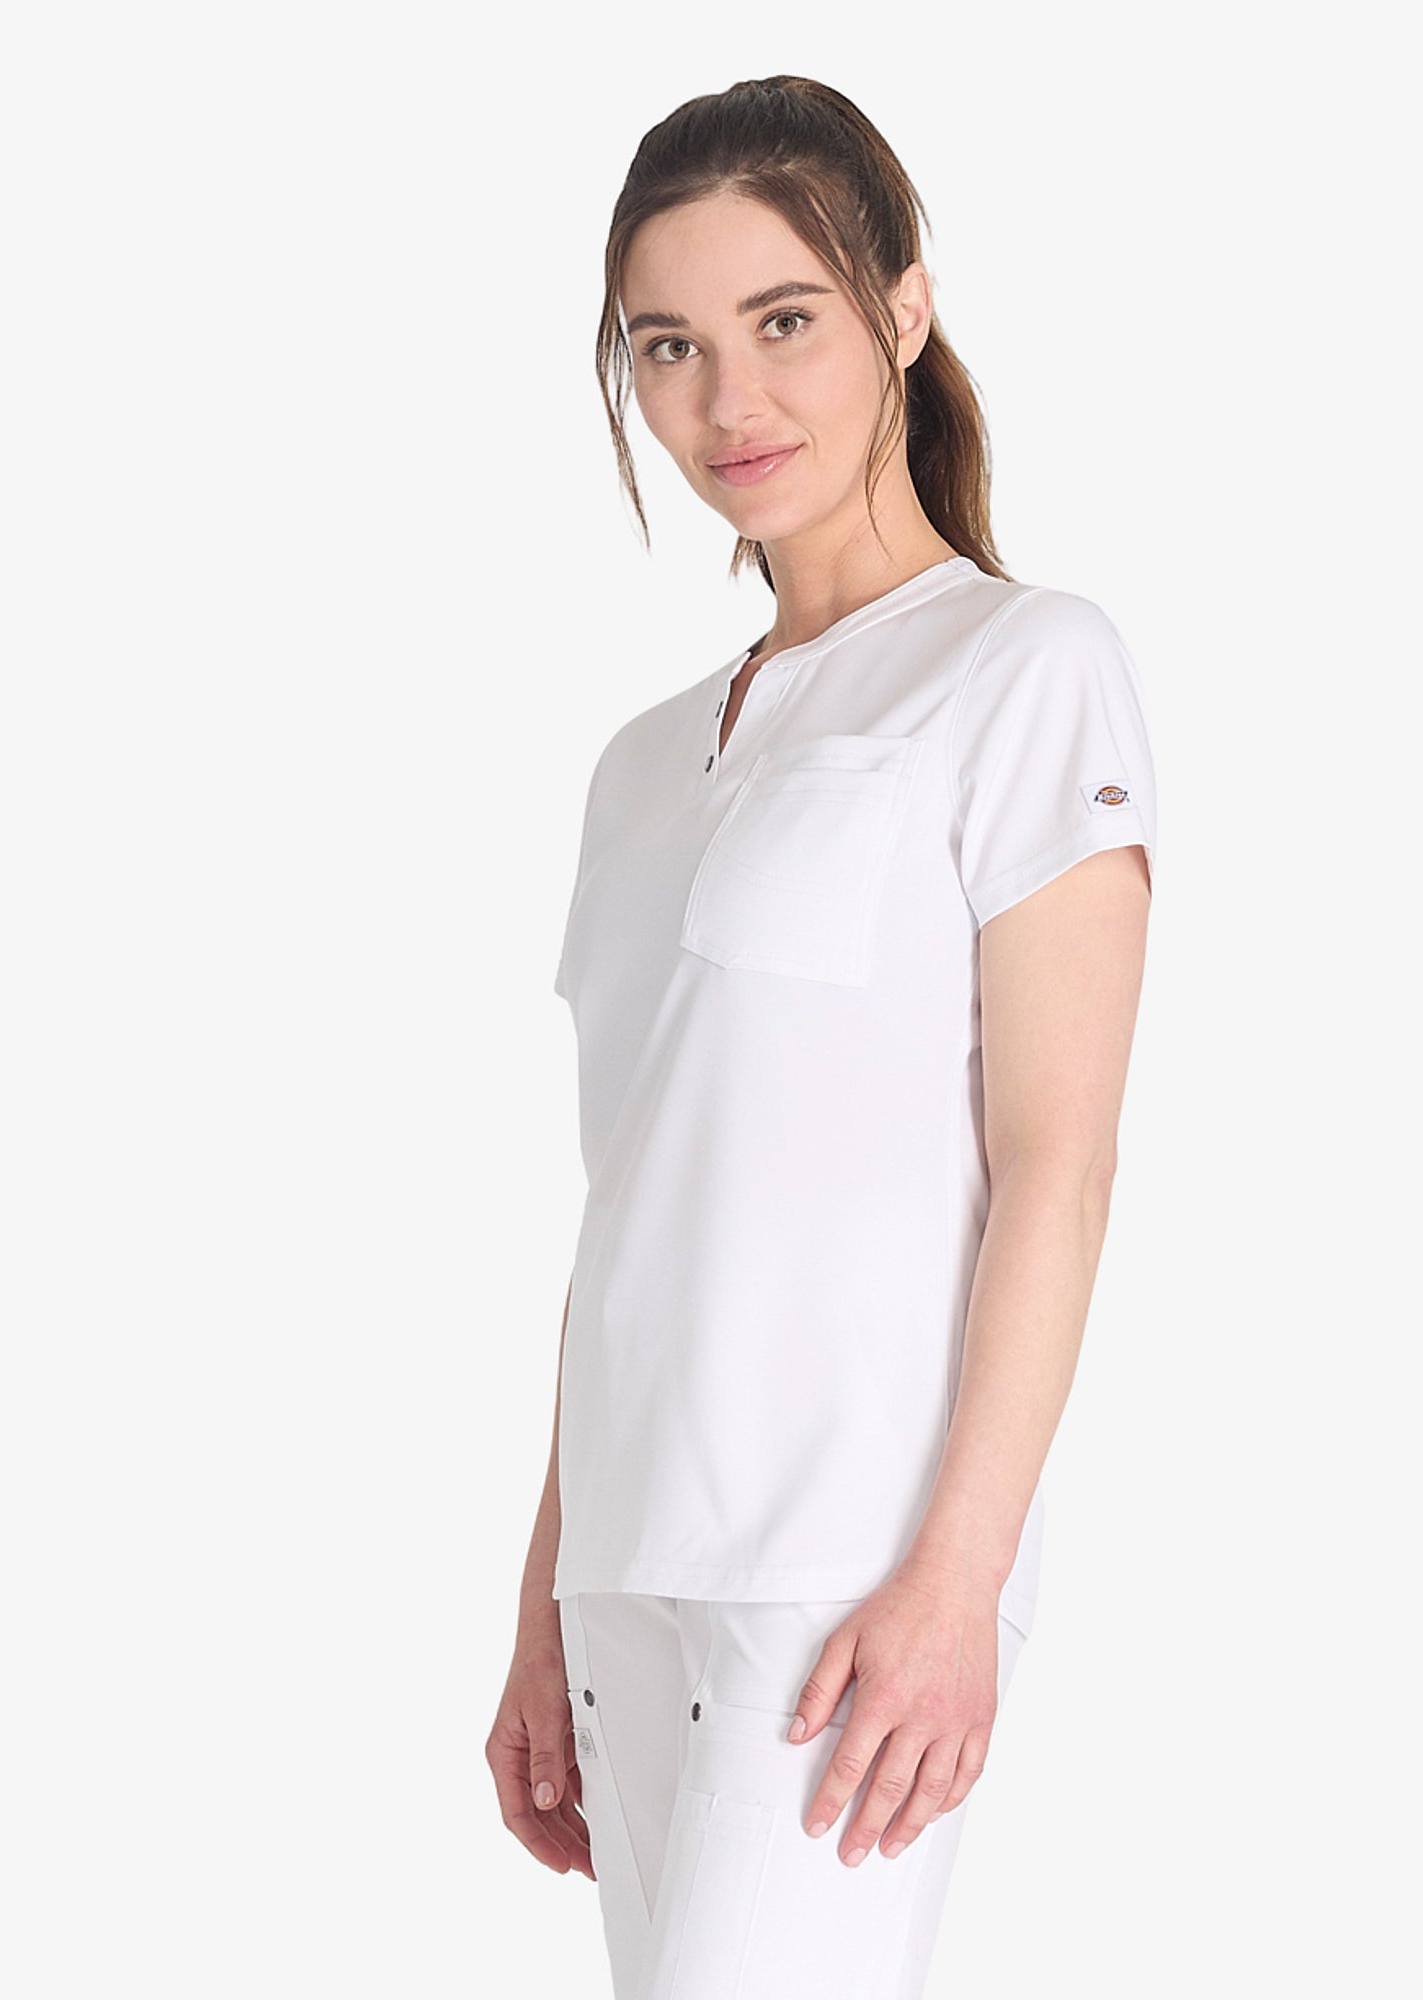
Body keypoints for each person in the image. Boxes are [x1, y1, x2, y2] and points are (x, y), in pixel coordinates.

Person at [485, 74, 1157, 1998]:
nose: (728, 401)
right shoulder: (638, 765)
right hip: (628, 1570)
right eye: (668, 346)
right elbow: (632, 1202)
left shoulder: (1023, 669)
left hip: (847, 1575)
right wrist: (542, 1596)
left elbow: (1058, 1165)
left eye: (783, 320)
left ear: (904, 309)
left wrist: (962, 1572)